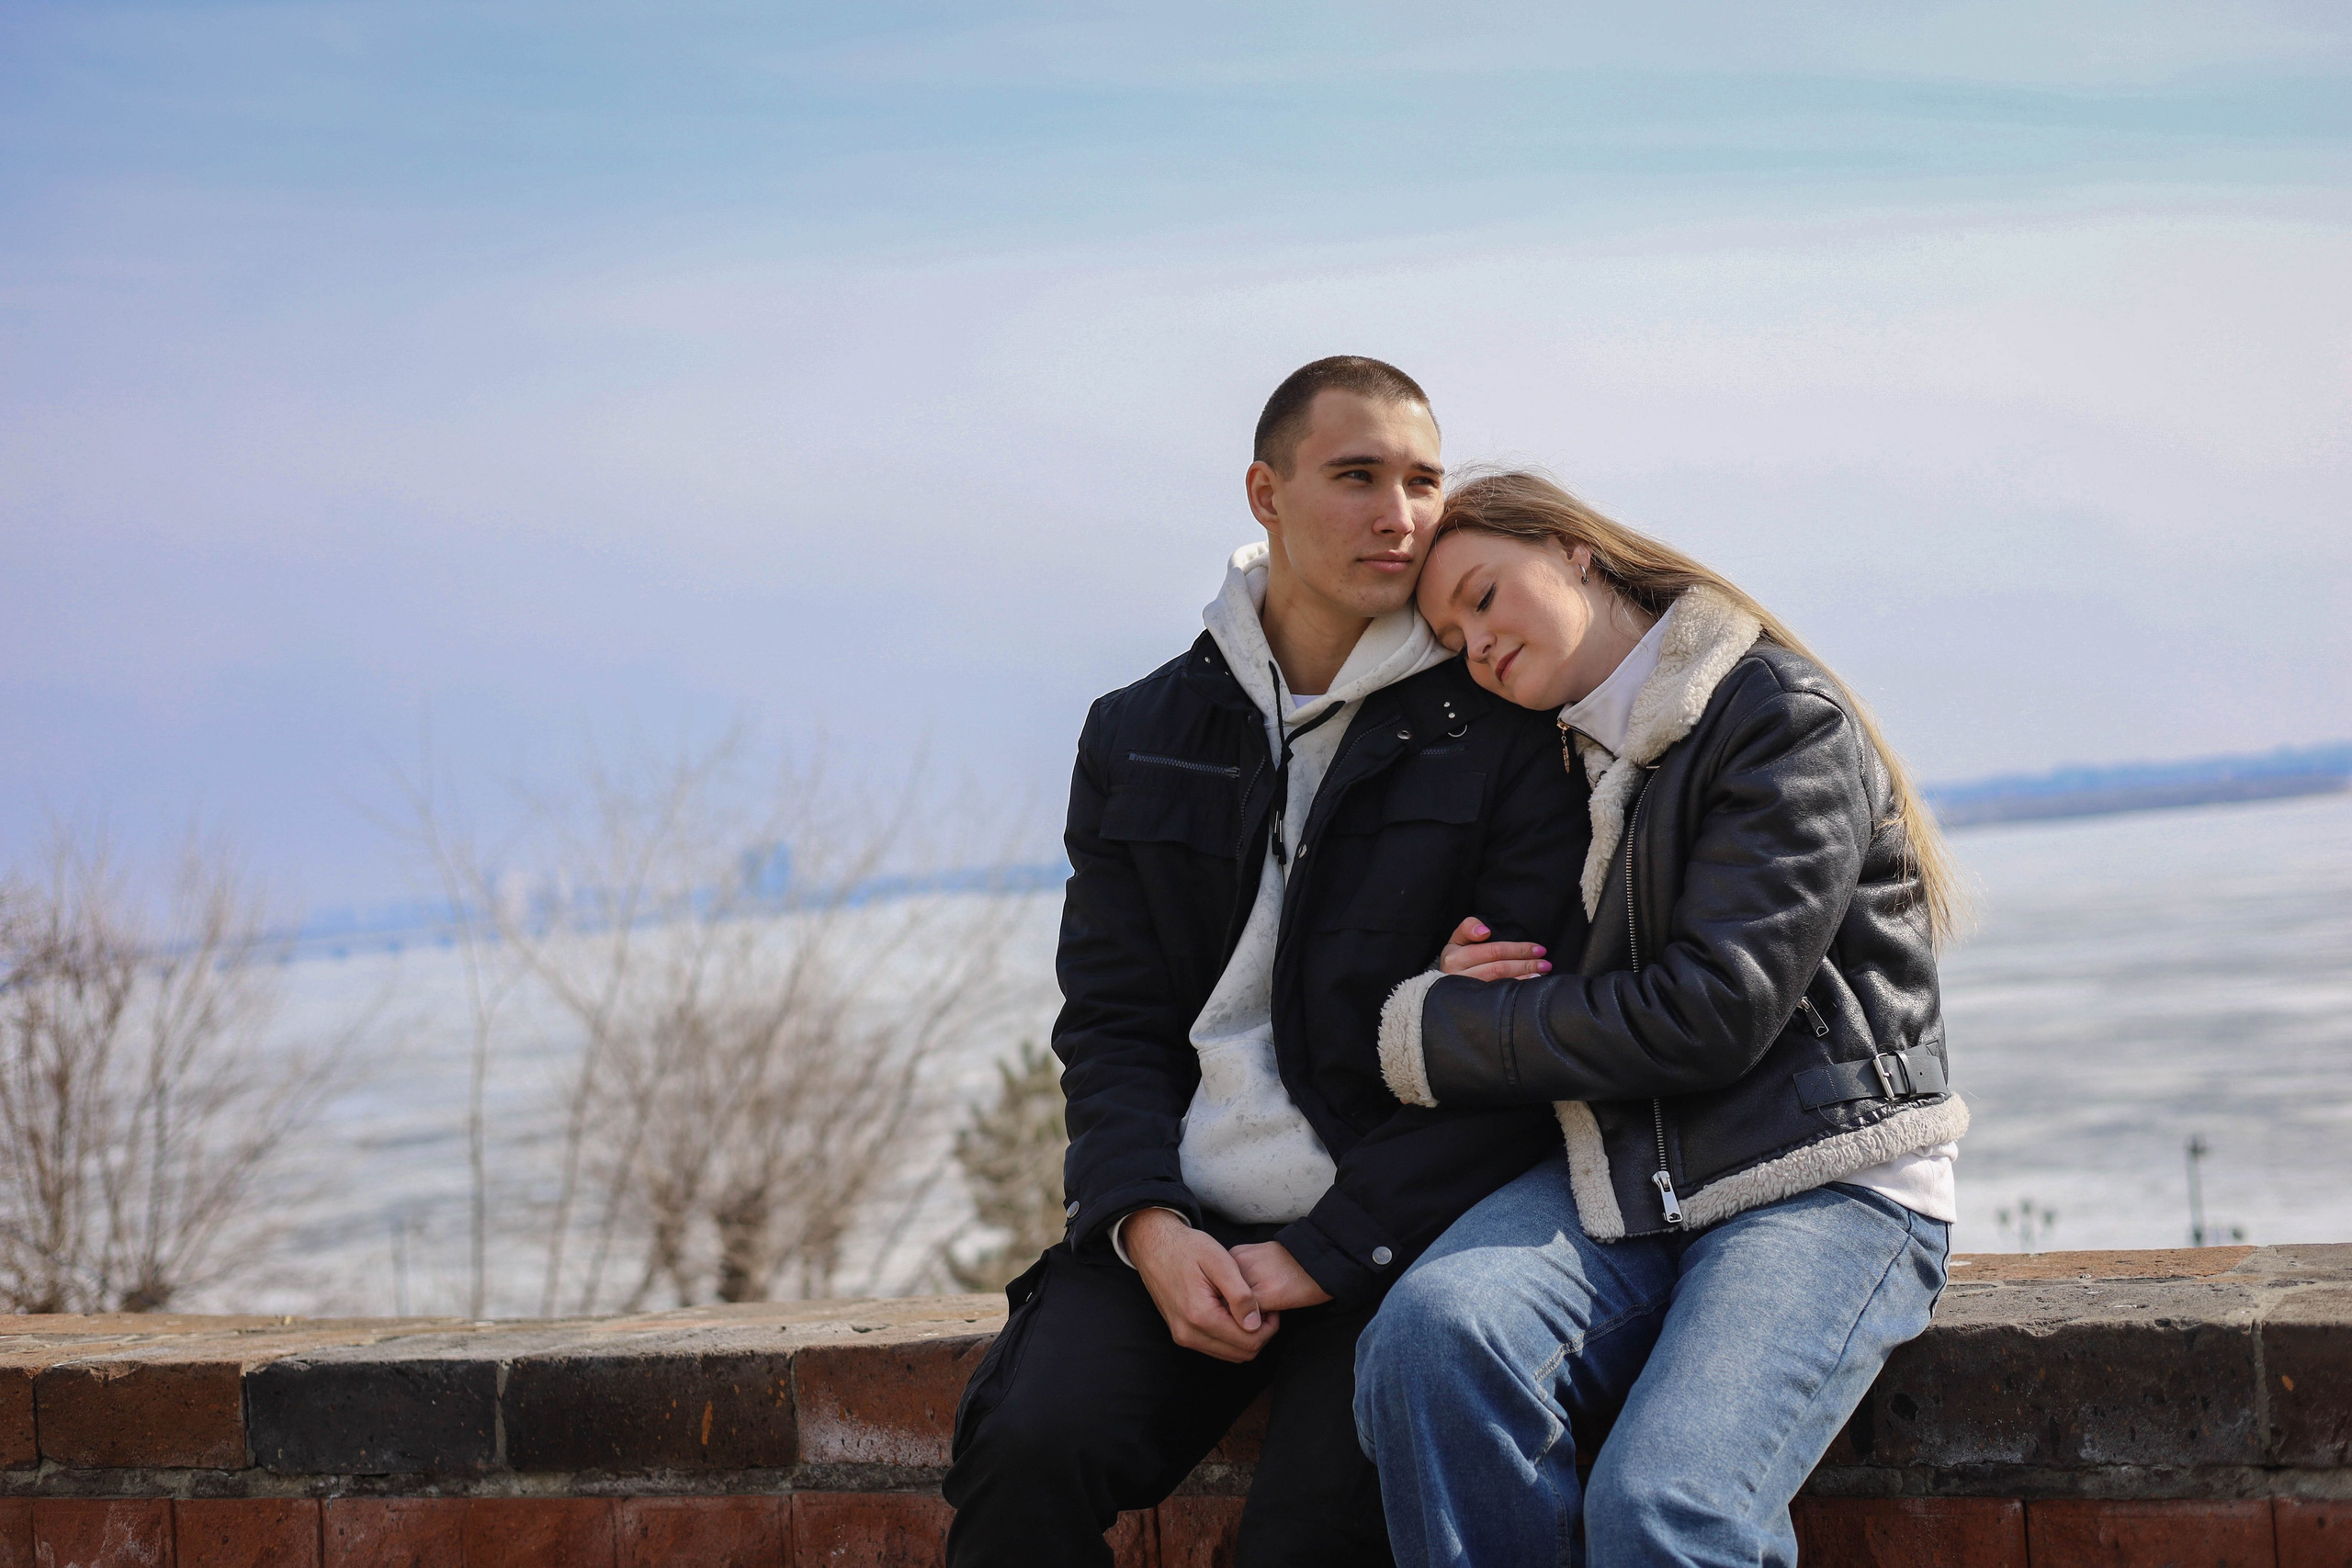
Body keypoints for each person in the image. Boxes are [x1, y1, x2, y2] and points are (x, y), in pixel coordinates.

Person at [943, 364, 1589, 1567]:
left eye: (1422, 480)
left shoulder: (1502, 730)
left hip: (1396, 1233)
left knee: (1310, 1538)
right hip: (1186, 1222)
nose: (1398, 511)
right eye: (1356, 476)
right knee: (1026, 1442)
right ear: (1266, 492)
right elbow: (1115, 1021)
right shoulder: (1138, 733)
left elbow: (1519, 1044)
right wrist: (1144, 1222)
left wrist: (1324, 1250)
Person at [1356, 470, 1969, 1568]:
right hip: (1633, 1175)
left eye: (1486, 597)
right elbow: (1548, 974)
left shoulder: (1772, 716)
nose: (1477, 646)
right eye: (1451, 639)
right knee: (1428, 1340)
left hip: (1821, 1177)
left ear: (1574, 550)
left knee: (1663, 1508)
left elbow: (1708, 1014)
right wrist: (1467, 973)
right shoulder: (1559, 757)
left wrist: (1438, 1031)